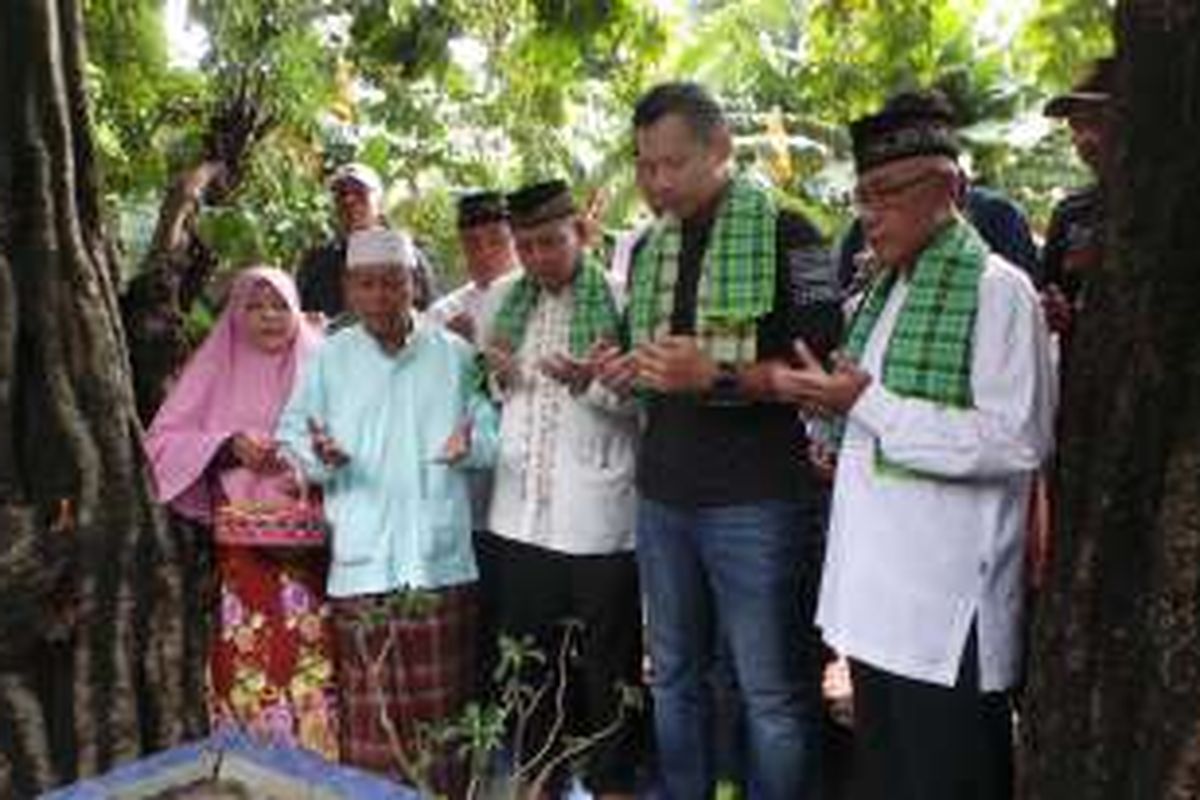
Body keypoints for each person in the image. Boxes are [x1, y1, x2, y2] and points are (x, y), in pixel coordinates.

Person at [776, 91, 1055, 800]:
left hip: (946, 610)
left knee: (949, 780)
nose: (870, 215)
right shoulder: (880, 292)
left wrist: (865, 403)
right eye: (862, 196)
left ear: (951, 189)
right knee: (890, 778)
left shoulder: (1000, 292)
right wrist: (840, 435)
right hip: (872, 597)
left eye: (891, 194)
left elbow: (1015, 442)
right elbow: (877, 419)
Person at [593, 81, 842, 799]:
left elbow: (821, 361)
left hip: (757, 501)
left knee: (770, 690)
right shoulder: (647, 251)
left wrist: (719, 374)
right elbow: (650, 362)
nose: (657, 181)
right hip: (664, 494)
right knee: (672, 677)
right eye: (645, 165)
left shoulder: (793, 234)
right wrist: (623, 367)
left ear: (721, 149)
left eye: (673, 164)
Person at [276, 229, 497, 794]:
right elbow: (293, 433)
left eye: (391, 282)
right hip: (363, 566)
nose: (379, 296)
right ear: (349, 288)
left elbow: (492, 432)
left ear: (413, 283)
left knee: (445, 726)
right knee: (373, 728)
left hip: (439, 564)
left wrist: (469, 445)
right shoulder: (329, 359)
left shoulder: (456, 356)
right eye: (366, 284)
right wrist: (320, 460)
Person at [482, 179, 644, 797]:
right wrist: (499, 375)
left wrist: (590, 383)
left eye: (551, 242)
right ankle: (539, 780)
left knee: (607, 667)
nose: (539, 258)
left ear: (581, 233)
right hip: (518, 516)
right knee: (528, 662)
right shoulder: (503, 300)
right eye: (525, 246)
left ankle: (612, 785)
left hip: (599, 519)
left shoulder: (623, 299)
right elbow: (497, 392)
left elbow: (645, 409)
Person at [145, 266, 338, 758]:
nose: (269, 317)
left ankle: (317, 764)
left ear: (296, 311)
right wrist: (228, 447)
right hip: (245, 552)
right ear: (236, 313)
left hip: (320, 550)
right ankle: (252, 766)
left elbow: (362, 436)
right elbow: (161, 443)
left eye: (279, 306)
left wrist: (308, 458)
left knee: (316, 657)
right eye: (255, 306)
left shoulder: (326, 362)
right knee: (249, 654)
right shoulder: (215, 364)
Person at [835, 90, 1041, 295]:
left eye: (892, 190)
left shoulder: (999, 219)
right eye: (865, 198)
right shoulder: (861, 231)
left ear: (954, 184)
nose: (872, 215)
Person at [296, 162, 436, 324]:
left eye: (360, 192)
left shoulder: (406, 255)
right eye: (341, 193)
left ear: (379, 201)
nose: (349, 200)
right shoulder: (316, 261)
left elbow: (427, 314)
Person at [1041, 57, 1114, 338]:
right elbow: (1049, 290)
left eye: (1096, 121)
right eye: (1076, 127)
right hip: (1082, 373)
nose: (1084, 139)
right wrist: (1053, 310)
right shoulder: (1069, 213)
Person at [427, 190, 521, 344]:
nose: (485, 253)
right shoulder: (444, 313)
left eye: (496, 241)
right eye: (473, 244)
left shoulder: (541, 298)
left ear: (516, 242)